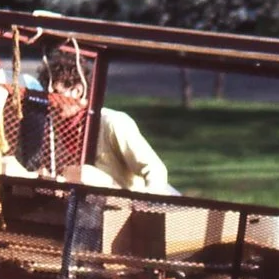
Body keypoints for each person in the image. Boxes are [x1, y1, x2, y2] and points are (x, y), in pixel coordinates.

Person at [17, 47, 178, 194]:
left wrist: (147, 208)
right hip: (88, 213)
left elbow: (155, 170)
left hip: (134, 209)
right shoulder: (51, 131)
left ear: (77, 91)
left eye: (57, 94)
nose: (51, 102)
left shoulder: (113, 123)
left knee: (88, 175)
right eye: (48, 95)